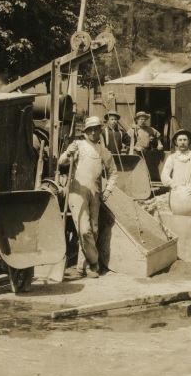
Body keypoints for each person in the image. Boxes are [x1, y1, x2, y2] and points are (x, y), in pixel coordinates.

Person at [58, 116, 118, 279]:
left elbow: (113, 172)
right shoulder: (78, 145)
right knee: (84, 230)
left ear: (100, 131)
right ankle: (94, 262)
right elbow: (62, 162)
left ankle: (83, 267)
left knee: (94, 229)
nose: (93, 132)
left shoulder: (103, 151)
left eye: (96, 129)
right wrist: (67, 153)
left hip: (96, 192)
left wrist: (108, 190)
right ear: (85, 132)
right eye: (90, 130)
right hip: (78, 192)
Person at [161, 129, 191, 254]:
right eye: (180, 140)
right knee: (177, 220)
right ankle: (177, 251)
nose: (182, 142)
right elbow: (164, 175)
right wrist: (174, 185)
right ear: (176, 142)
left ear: (189, 142)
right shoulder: (172, 158)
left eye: (185, 140)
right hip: (177, 193)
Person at [129, 111, 163, 181]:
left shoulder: (149, 129)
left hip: (146, 152)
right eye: (141, 119)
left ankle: (146, 185)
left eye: (144, 119)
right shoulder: (133, 130)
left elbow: (158, 135)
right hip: (136, 153)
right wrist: (135, 148)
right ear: (137, 120)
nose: (143, 121)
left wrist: (159, 144)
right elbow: (126, 144)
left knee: (146, 169)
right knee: (137, 169)